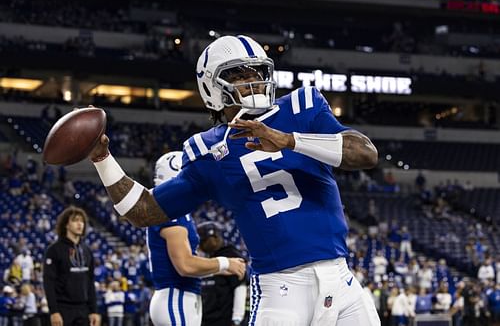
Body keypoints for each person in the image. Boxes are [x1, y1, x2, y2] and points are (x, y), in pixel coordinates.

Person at [88, 35, 380, 325]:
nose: (252, 81)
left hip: (342, 278)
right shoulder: (209, 152)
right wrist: (103, 159)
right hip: (282, 289)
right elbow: (144, 210)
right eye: (238, 75)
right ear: (211, 88)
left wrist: (290, 141)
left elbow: (365, 154)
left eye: (257, 73)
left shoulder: (302, 108)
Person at [147, 152, 246, 326]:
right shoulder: (171, 213)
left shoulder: (173, 209)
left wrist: (218, 270)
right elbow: (185, 266)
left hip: (178, 298)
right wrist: (225, 263)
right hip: (175, 298)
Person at [43, 207, 100, 326]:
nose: (80, 224)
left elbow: (90, 282)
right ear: (66, 225)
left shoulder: (87, 250)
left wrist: (94, 311)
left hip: (83, 310)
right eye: (75, 220)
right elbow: (49, 283)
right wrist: (54, 311)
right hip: (63, 309)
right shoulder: (54, 250)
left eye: (82, 221)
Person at [197, 221, 247, 326]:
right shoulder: (204, 259)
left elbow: (240, 287)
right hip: (206, 319)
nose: (212, 241)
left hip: (224, 319)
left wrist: (237, 318)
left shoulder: (230, 255)